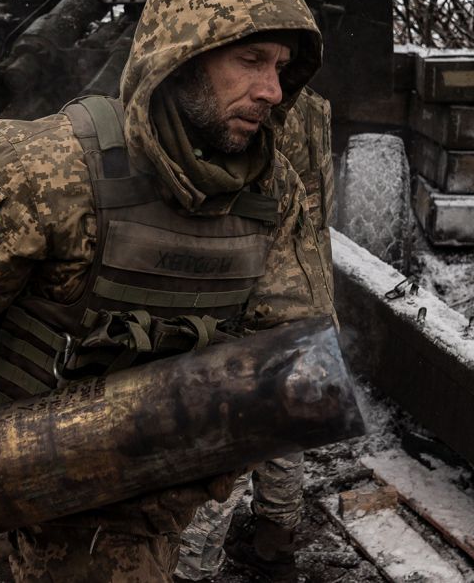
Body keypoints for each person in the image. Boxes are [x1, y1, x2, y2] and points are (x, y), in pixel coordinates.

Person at [0, 0, 335, 580]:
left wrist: (209, 464)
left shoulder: (274, 194)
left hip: (147, 493)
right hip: (5, 462)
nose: (272, 91)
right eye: (250, 60)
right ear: (183, 55)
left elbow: (283, 356)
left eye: (281, 67)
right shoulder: (46, 165)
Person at [175, 85, 336, 582]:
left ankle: (191, 568)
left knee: (233, 436)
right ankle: (275, 543)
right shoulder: (313, 106)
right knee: (285, 418)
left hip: (252, 282)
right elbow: (322, 197)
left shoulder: (235, 107)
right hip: (307, 277)